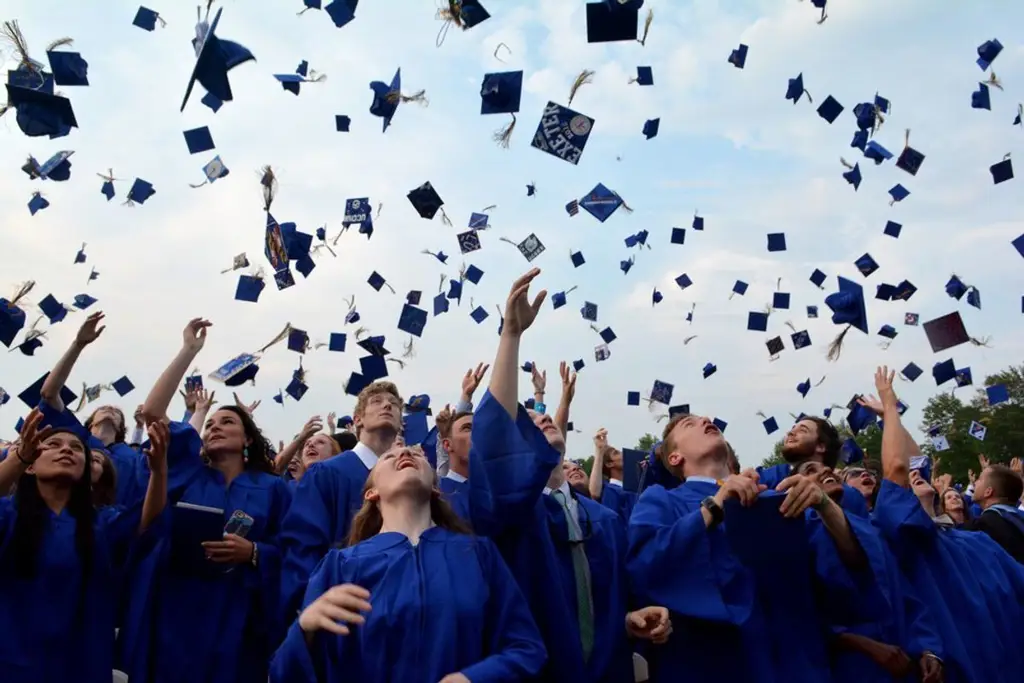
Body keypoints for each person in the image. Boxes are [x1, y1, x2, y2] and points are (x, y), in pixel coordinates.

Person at [466, 269, 672, 683]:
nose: (542, 421)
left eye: (547, 418)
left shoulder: (607, 521)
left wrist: (631, 619)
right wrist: (510, 335)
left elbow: (613, 602)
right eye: (530, 421)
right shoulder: (517, 512)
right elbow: (495, 436)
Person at [628, 409, 873, 683]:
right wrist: (715, 504)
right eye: (690, 424)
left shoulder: (777, 499)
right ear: (675, 457)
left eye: (706, 419)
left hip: (795, 666)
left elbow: (852, 566)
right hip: (712, 666)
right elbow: (646, 565)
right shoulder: (662, 501)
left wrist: (825, 506)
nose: (707, 420)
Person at [269, 443, 547, 682]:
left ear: (436, 489)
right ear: (371, 493)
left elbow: (526, 647)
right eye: (389, 457)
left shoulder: (478, 554)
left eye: (418, 454)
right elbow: (284, 674)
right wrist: (303, 632)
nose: (405, 454)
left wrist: (474, 678)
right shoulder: (340, 566)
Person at [120, 318, 293, 683]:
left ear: (247, 439)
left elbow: (293, 549)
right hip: (175, 604)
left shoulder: (274, 488)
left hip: (238, 611)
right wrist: (189, 350)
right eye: (210, 424)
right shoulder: (187, 467)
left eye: (227, 422)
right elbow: (153, 413)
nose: (214, 427)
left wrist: (255, 553)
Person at [871, 365, 1024, 682]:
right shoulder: (907, 539)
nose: (917, 477)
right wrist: (888, 404)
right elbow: (899, 467)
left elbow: (913, 463)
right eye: (908, 484)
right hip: (965, 659)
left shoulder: (973, 540)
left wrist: (892, 417)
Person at [0, 408, 168, 683]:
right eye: (53, 445)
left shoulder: (103, 523)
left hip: (80, 666)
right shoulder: (9, 516)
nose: (67, 450)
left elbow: (148, 522)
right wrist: (18, 457)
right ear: (30, 464)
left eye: (77, 448)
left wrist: (159, 471)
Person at [280, 379, 403, 619]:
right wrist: (309, 605)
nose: (387, 406)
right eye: (377, 402)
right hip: (339, 607)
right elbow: (304, 546)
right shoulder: (328, 473)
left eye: (394, 404)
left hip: (395, 607)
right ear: (358, 419)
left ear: (400, 423)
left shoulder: (406, 478)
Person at [961, 463, 1024, 563]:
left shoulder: (981, 526)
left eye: (980, 479)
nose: (975, 483)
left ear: (988, 492)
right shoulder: (1019, 518)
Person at [589, 428, 637, 524]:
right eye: (616, 453)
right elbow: (613, 524)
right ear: (609, 464)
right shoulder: (610, 491)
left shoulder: (635, 487)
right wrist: (600, 450)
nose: (623, 454)